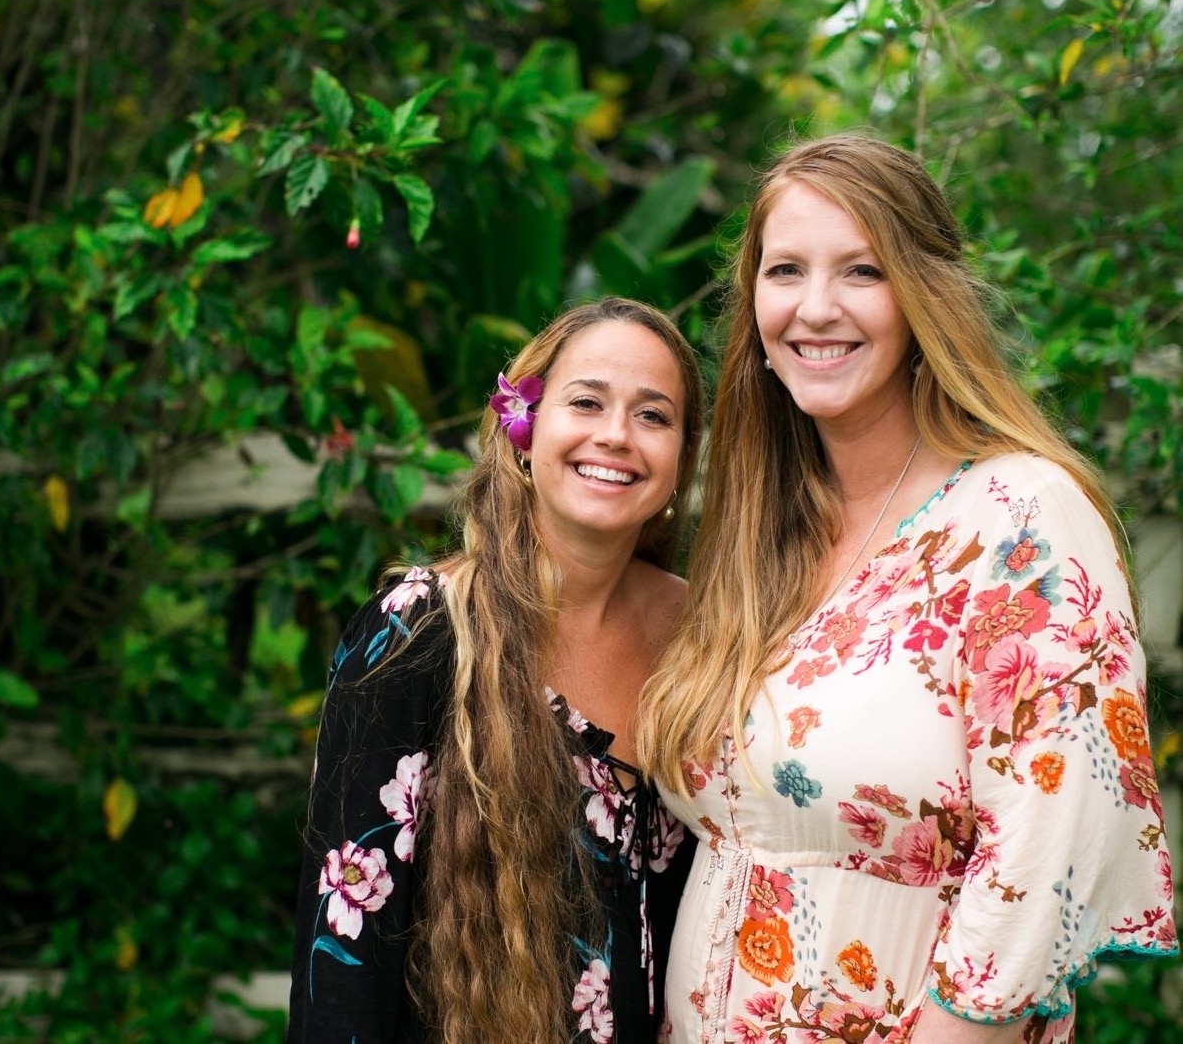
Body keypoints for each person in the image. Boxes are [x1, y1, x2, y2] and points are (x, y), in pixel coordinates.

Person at [637, 134, 1178, 1044]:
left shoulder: (1021, 520)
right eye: (784, 271)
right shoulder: (764, 533)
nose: (814, 308)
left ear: (922, 295)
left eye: (859, 271)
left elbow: (1041, 868)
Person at [287, 296, 705, 1044]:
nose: (615, 436)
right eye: (585, 402)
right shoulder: (417, 630)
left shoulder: (707, 637)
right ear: (523, 429)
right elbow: (343, 960)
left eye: (653, 415)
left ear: (680, 457)